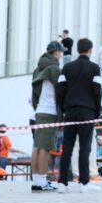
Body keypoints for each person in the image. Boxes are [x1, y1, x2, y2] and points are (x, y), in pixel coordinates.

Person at [57, 37, 102, 192]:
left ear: (77, 50)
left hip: (70, 111)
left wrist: (63, 109)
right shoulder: (95, 68)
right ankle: (84, 183)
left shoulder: (67, 68)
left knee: (67, 147)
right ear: (90, 50)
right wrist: (97, 112)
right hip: (87, 111)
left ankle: (62, 183)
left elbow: (60, 90)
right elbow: (97, 92)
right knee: (85, 147)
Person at [31, 40, 64, 192]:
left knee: (37, 146)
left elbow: (34, 93)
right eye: (61, 52)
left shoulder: (38, 69)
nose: (62, 55)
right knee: (44, 148)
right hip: (49, 111)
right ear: (56, 53)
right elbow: (61, 92)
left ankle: (37, 180)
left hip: (38, 111)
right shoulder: (55, 68)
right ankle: (43, 181)